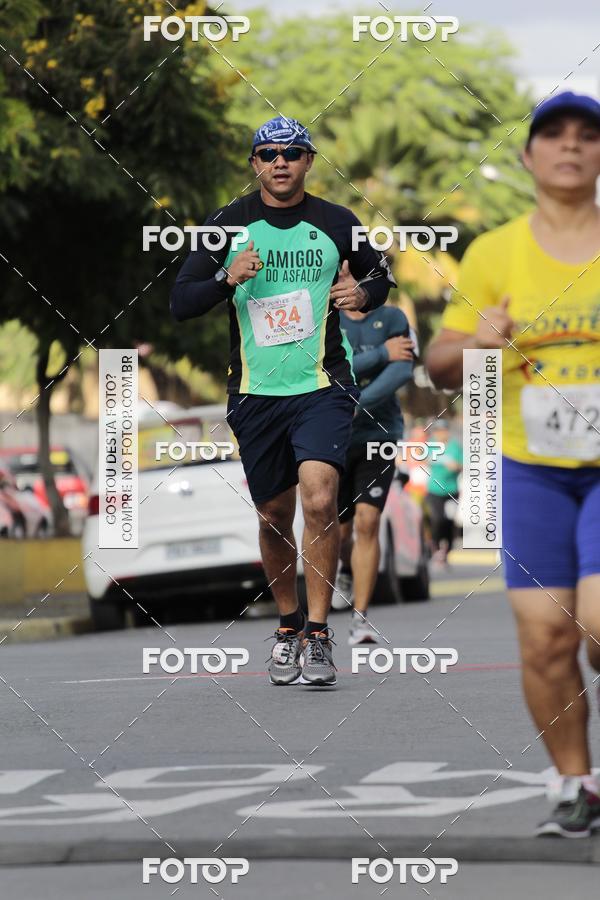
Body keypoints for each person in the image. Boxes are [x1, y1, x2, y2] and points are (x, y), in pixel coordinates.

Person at [426, 91, 600, 836]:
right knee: (546, 638)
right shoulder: (494, 251)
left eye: (588, 136)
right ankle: (574, 785)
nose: (571, 147)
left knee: (599, 627)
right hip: (529, 468)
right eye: (554, 135)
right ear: (529, 157)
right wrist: (477, 344)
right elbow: (437, 364)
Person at [170, 116, 395, 687]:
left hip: (323, 385)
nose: (280, 162)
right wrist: (225, 277)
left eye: (292, 153)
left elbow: (379, 277)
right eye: (268, 153)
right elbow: (180, 301)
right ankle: (289, 625)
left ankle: (320, 635)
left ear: (308, 162)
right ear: (254, 164)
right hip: (254, 393)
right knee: (274, 516)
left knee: (320, 499)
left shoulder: (337, 222)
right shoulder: (227, 224)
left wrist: (360, 291)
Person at [333, 307, 415, 643]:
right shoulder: (325, 317)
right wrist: (381, 353)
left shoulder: (393, 319)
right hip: (332, 435)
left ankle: (360, 619)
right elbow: (326, 368)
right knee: (339, 532)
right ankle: (347, 568)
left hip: (379, 436)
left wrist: (354, 402)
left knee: (368, 520)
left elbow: (401, 370)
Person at [425, 419, 462, 567]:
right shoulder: (431, 444)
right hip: (434, 490)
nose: (441, 434)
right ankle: (436, 549)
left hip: (452, 491)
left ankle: (447, 550)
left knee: (449, 521)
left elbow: (463, 464)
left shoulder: (455, 447)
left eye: (443, 430)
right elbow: (422, 458)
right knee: (437, 520)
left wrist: (456, 466)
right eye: (438, 431)